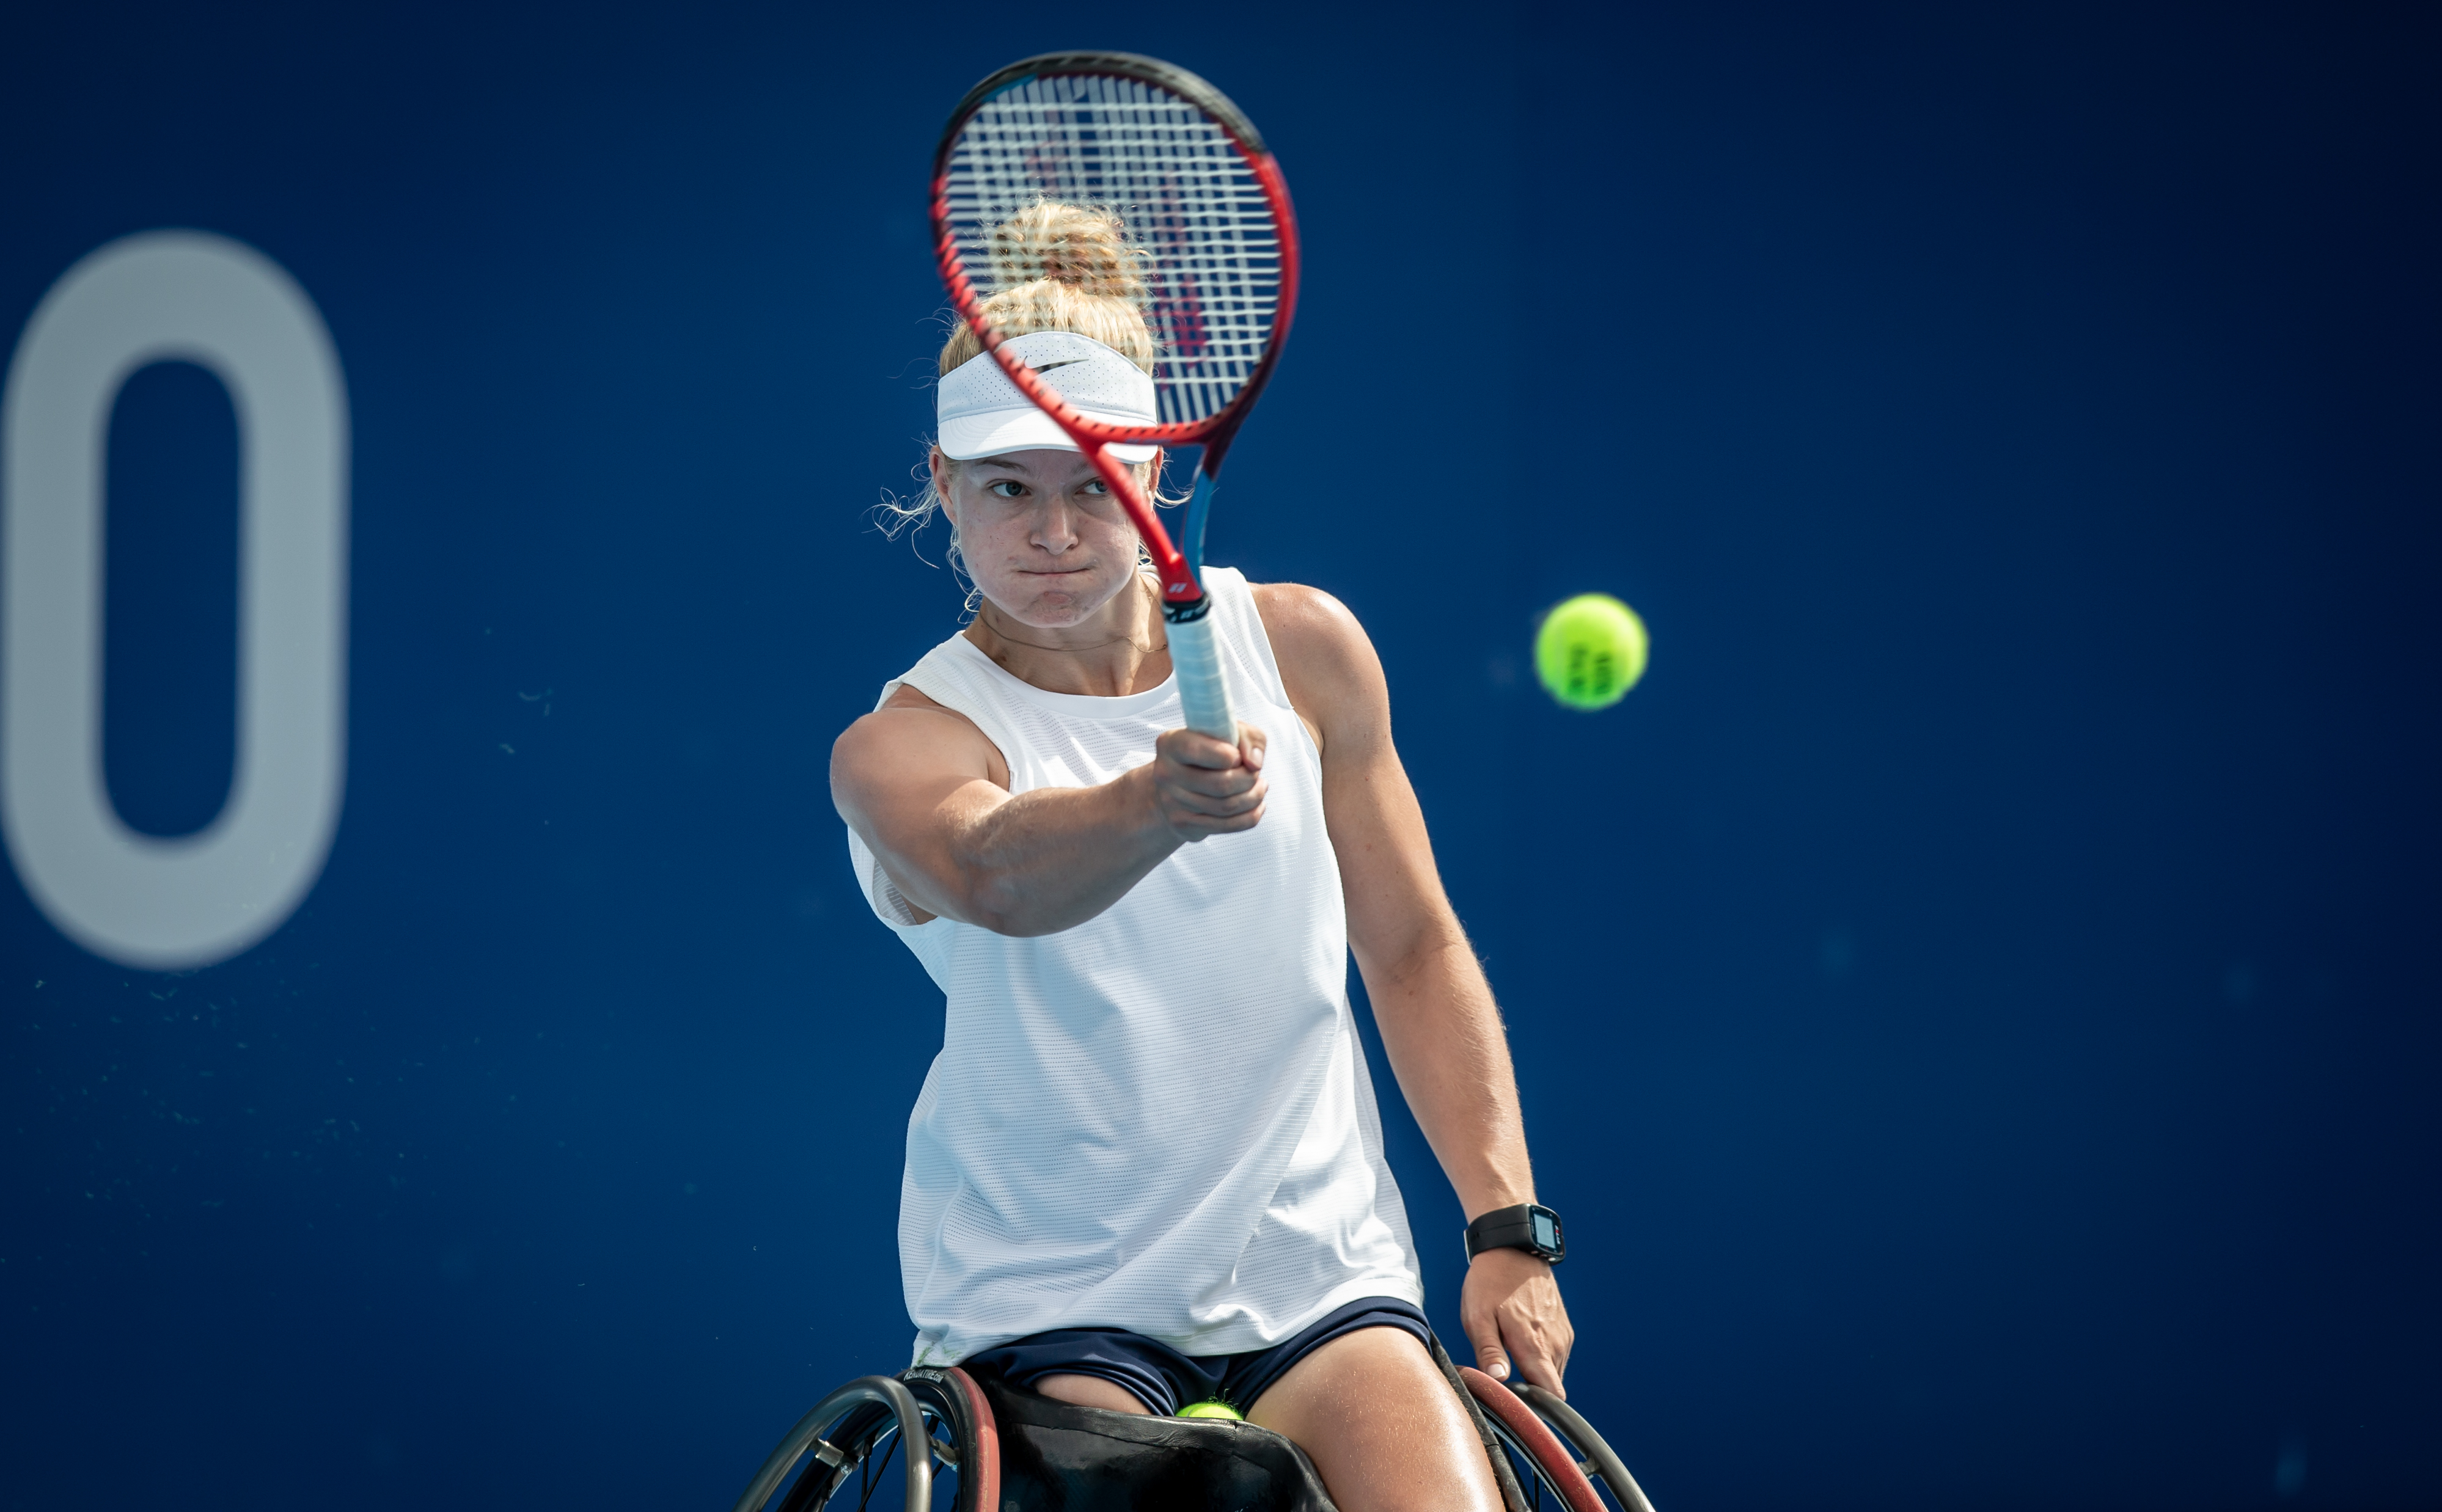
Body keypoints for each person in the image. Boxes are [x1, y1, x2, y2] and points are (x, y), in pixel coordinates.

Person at [831, 203, 1571, 1512]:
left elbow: (1411, 947)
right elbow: (992, 871)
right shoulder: (904, 742)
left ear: (1157, 474)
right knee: (1205, 1496)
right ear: (943, 487)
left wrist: (1506, 1227)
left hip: (1322, 1274)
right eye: (1009, 486)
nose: (1054, 532)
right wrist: (1151, 805)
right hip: (1051, 1294)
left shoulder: (1304, 651)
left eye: (1093, 484)